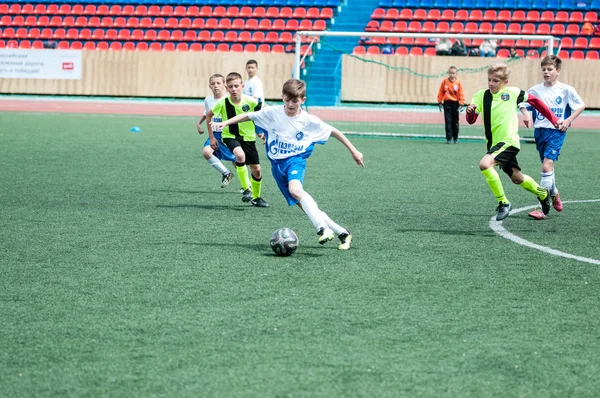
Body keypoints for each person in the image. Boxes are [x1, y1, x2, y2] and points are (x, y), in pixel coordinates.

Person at [211, 79, 364, 250]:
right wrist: (226, 122)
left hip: (295, 161)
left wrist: (353, 150)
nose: (291, 104)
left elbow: (333, 131)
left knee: (296, 190)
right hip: (277, 167)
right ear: (282, 97)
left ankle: (322, 229)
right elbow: (248, 116)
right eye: (287, 99)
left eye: (295, 100)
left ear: (302, 100)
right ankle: (343, 233)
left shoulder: (308, 120)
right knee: (307, 207)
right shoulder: (273, 113)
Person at [465, 63, 560, 221]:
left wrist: (554, 119)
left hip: (509, 142)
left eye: (495, 80)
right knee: (517, 178)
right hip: (494, 145)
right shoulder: (481, 95)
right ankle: (543, 193)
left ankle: (503, 203)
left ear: (505, 82)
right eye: (489, 80)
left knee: (484, 164)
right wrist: (470, 112)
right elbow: (471, 119)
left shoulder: (513, 92)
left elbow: (536, 102)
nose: (491, 83)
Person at [519, 55, 586, 220]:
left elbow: (580, 105)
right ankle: (554, 193)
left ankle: (540, 207)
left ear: (558, 71)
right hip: (540, 132)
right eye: (544, 69)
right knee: (547, 168)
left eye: (550, 69)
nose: (546, 72)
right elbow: (522, 102)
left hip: (556, 132)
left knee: (546, 168)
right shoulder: (535, 90)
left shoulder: (566, 90)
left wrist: (568, 120)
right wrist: (526, 114)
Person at [206, 72, 269, 207]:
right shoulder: (222, 103)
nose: (234, 89)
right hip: (230, 136)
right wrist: (211, 136)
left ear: (242, 86)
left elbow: (262, 114)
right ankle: (246, 188)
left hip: (248, 138)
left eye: (236, 86)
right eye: (230, 87)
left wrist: (261, 132)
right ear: (227, 88)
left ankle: (256, 198)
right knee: (239, 155)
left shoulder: (252, 101)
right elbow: (209, 116)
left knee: (256, 169)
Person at [196, 74, 236, 189]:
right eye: (213, 84)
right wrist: (199, 123)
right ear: (210, 86)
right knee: (206, 152)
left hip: (227, 133)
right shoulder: (208, 100)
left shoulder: (229, 99)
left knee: (236, 159)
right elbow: (207, 113)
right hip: (214, 133)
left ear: (224, 85)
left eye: (218, 83)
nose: (216, 86)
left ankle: (247, 185)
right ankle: (226, 172)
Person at [437, 66, 465, 144]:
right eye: (450, 73)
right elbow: (440, 92)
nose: (452, 75)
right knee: (448, 121)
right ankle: (448, 138)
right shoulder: (445, 82)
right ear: (448, 73)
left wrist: (461, 103)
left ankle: (455, 138)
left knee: (455, 122)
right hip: (447, 104)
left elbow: (461, 94)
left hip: (455, 104)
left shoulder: (458, 83)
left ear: (456, 74)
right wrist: (440, 102)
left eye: (453, 73)